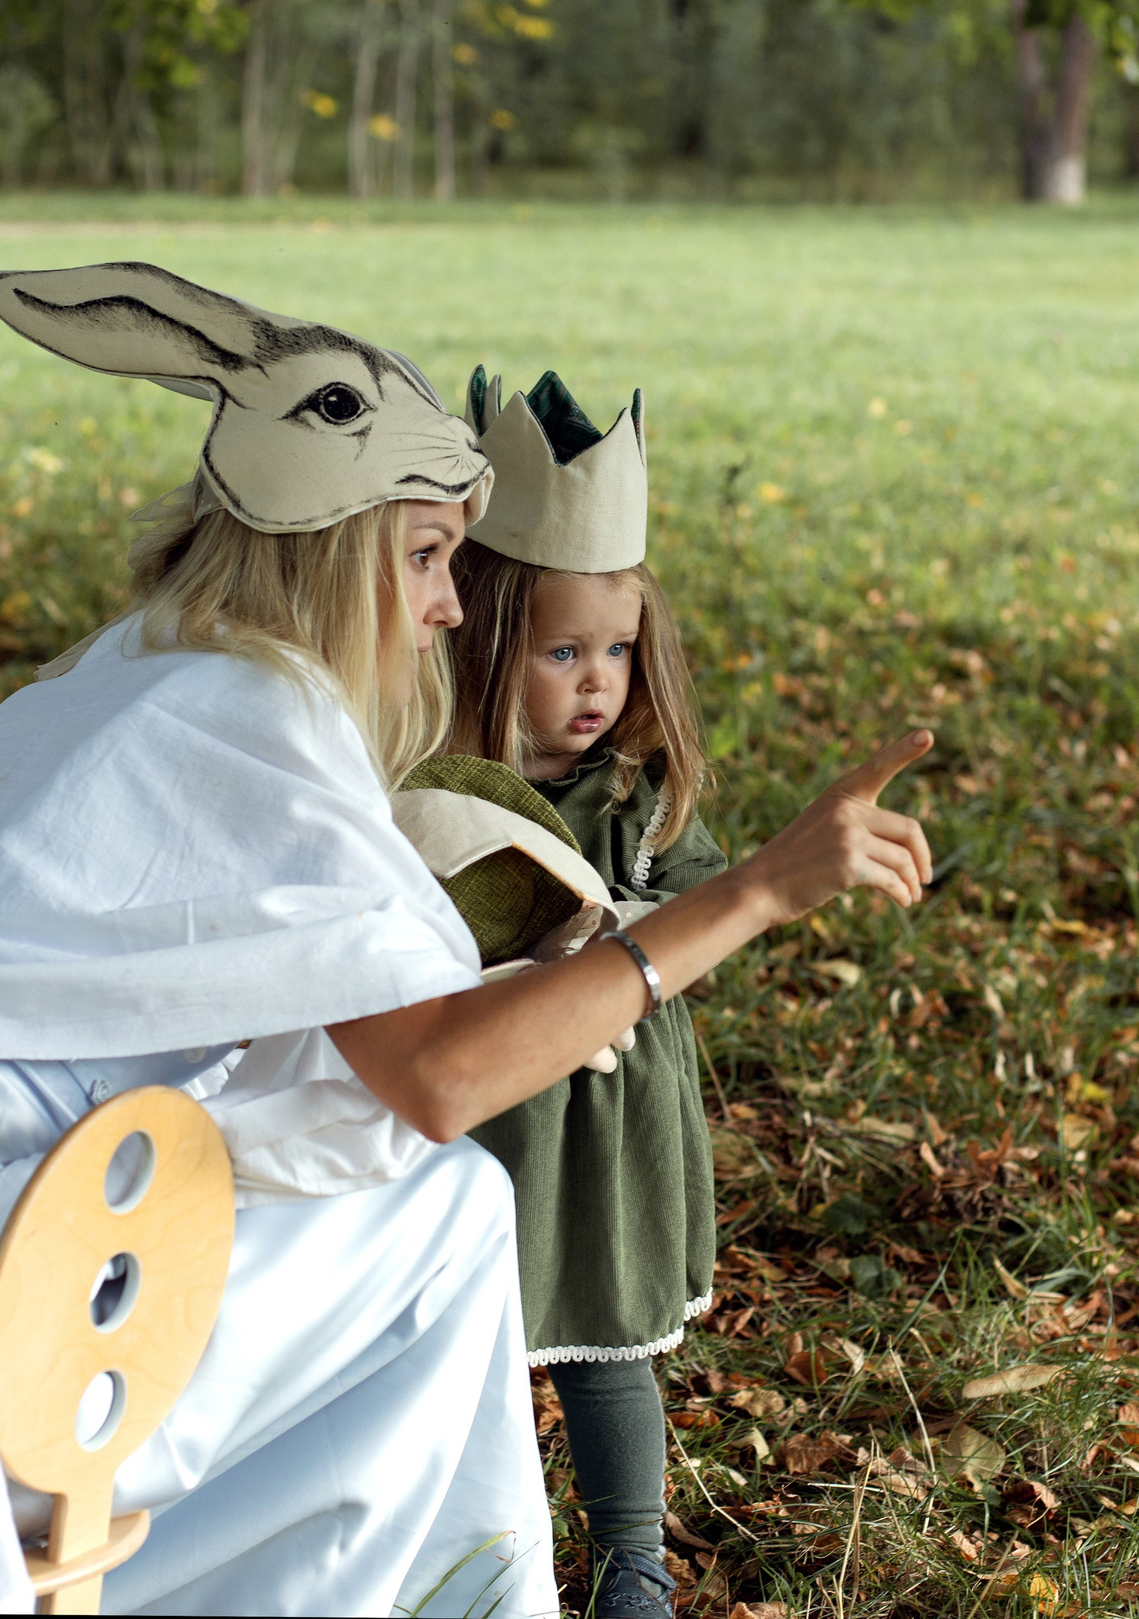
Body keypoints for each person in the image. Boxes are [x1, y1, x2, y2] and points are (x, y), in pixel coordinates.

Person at [0, 263, 934, 1614]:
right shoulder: (256, 715)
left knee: (411, 1203)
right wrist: (746, 895)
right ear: (334, 546)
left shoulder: (136, 671)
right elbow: (432, 1079)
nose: (446, 606)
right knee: (446, 1218)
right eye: (427, 555)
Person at [442, 368, 721, 1618]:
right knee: (469, 1346)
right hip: (487, 1115)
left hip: (605, 1128)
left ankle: (632, 1563)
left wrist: (630, 935)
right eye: (563, 652)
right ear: (489, 640)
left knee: (608, 1356)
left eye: (615, 651)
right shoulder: (436, 798)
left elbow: (705, 923)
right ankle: (473, 1555)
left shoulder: (633, 801)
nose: (597, 683)